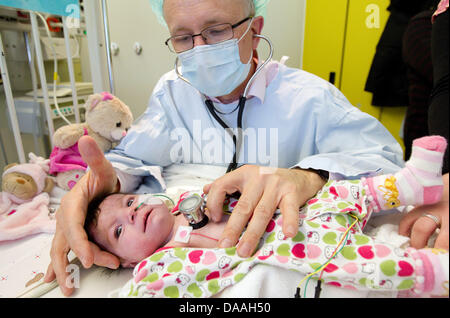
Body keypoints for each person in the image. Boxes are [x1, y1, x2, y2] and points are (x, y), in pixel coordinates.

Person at [45, 0, 406, 296]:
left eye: (217, 30)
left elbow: (387, 160)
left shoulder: (308, 98)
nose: (199, 50)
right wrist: (99, 187)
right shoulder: (173, 91)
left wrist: (310, 176)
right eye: (183, 38)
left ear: (255, 28)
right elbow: (133, 157)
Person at [86, 136, 448, 298]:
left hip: (299, 209)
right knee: (356, 265)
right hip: (293, 246)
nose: (133, 215)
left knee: (342, 193)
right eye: (119, 230)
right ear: (122, 261)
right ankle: (428, 272)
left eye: (131, 203)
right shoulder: (156, 267)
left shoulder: (182, 200)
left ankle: (411, 185)